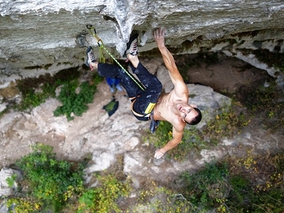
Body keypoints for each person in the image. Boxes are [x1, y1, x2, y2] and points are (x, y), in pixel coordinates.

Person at [85, 28, 202, 159]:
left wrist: (162, 150)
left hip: (143, 111)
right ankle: (94, 64)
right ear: (193, 105)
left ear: (182, 119)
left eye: (184, 115)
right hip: (143, 96)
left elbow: (176, 140)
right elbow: (172, 67)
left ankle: (133, 58)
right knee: (121, 72)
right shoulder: (181, 93)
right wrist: (161, 46)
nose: (183, 110)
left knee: (156, 86)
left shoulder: (178, 123)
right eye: (188, 109)